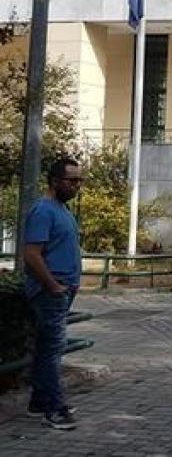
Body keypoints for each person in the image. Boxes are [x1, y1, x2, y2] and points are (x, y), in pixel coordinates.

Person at [22, 157, 83, 430]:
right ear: (55, 181)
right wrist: (53, 285)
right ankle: (54, 409)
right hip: (51, 292)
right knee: (52, 351)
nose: (77, 186)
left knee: (47, 348)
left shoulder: (62, 210)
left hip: (63, 289)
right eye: (72, 181)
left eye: (80, 180)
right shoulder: (43, 211)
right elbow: (31, 254)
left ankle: (38, 402)